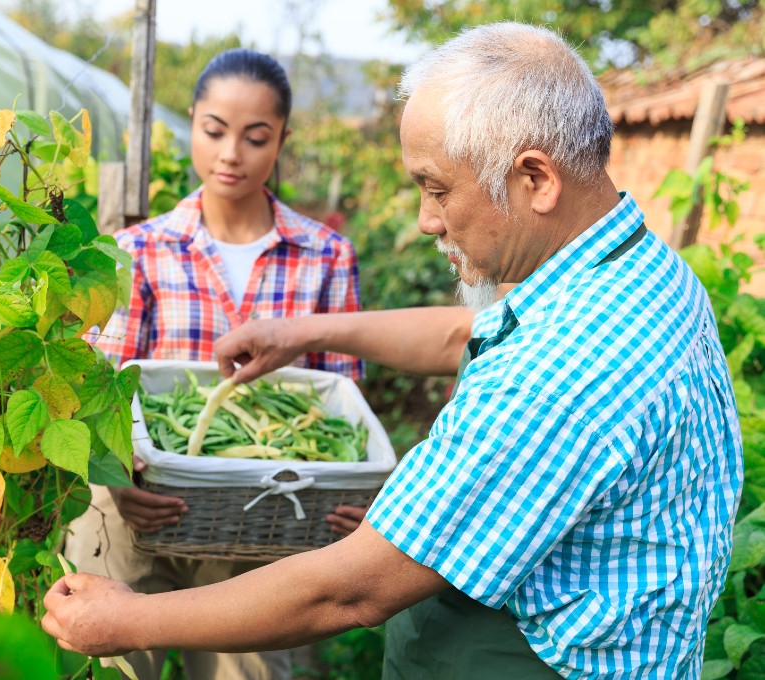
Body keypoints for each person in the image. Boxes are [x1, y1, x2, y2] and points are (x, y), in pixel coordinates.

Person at [45, 23, 743, 679]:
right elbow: (458, 333)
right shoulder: (633, 272)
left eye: (438, 189)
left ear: (536, 179)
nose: (426, 220)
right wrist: (307, 331)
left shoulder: (563, 372)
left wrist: (130, 619)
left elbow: (348, 594)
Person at [64, 48, 365, 680]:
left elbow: (341, 401)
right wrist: (117, 480)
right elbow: (103, 388)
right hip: (137, 512)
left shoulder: (324, 255)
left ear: (281, 138)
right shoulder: (140, 250)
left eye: (256, 137)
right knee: (116, 664)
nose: (231, 153)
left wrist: (350, 492)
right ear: (193, 122)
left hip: (261, 527)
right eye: (214, 131)